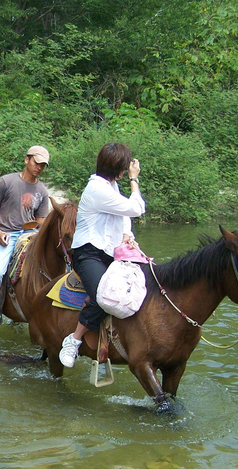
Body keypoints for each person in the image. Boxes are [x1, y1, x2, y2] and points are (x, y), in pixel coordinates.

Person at [59, 142, 145, 367]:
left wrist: (127, 233)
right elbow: (136, 208)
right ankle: (74, 340)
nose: (127, 171)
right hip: (88, 254)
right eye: (125, 167)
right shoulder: (97, 189)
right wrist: (134, 180)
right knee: (103, 296)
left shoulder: (111, 187)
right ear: (119, 168)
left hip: (110, 254)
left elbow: (124, 215)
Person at [0, 145, 51, 326]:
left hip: (31, 234)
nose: (39, 168)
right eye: (37, 163)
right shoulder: (7, 182)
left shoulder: (42, 191)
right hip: (8, 234)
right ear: (27, 160)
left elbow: (41, 219)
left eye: (43, 165)